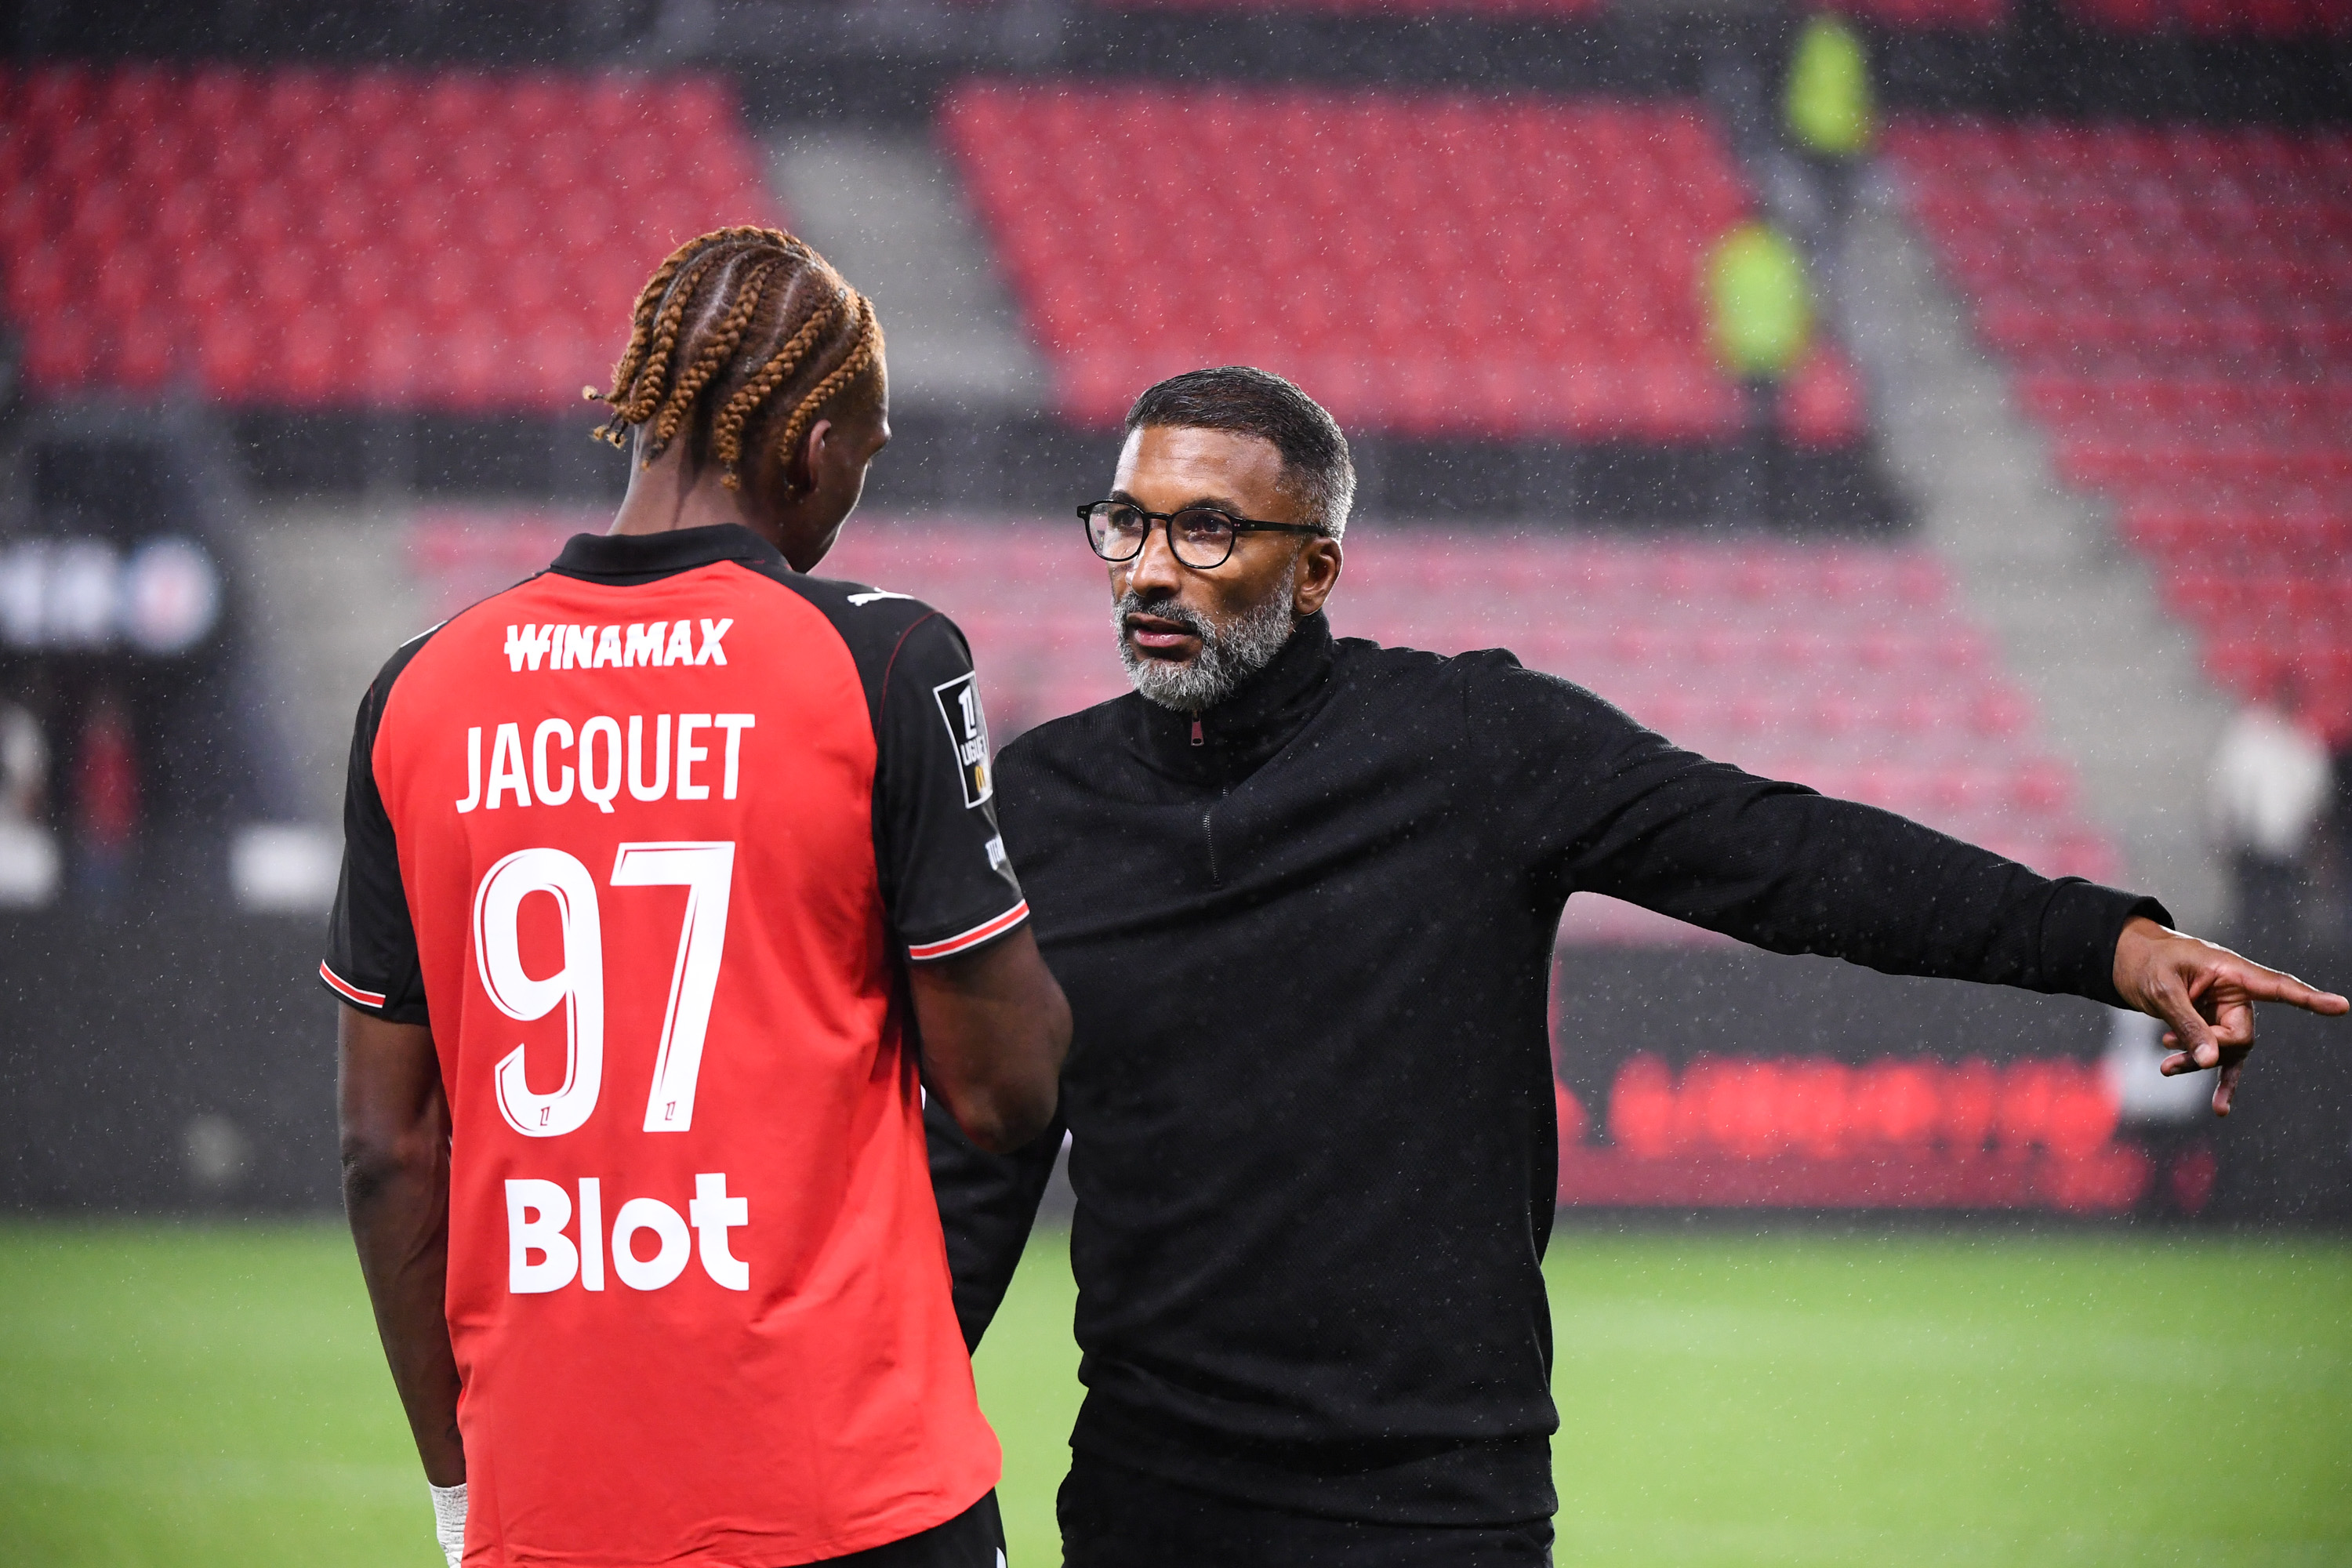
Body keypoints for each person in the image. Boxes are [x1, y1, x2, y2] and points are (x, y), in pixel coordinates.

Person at [926, 365, 2349, 1566]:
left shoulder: (1474, 743)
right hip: (1140, 1503)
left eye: (1210, 530)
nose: (1153, 569)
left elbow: (1784, 856)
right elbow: (981, 1174)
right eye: (1128, 524)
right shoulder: (1034, 806)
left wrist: (2105, 939)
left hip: (1435, 1510)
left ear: (1317, 569)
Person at [329, 227, 1071, 1568]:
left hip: (553, 1506)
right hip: (855, 1493)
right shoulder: (885, 656)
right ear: (808, 448)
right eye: (866, 449)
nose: (857, 487)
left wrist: (457, 1489)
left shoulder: (421, 687)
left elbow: (385, 1148)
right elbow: (1006, 1092)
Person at [2208, 682, 2332, 954]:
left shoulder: (2303, 742)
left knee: (2285, 917)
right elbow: (2228, 788)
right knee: (2253, 914)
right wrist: (2226, 833)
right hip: (2252, 846)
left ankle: (2280, 965)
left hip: (2288, 851)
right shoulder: (2251, 736)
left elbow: (2314, 799)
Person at [1704, 220, 1811, 528]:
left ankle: (1740, 509)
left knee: (1744, 440)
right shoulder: (1785, 256)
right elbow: (1803, 303)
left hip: (1740, 354)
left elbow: (1712, 298)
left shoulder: (1734, 253)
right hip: (1776, 356)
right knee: (1769, 438)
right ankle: (1771, 511)